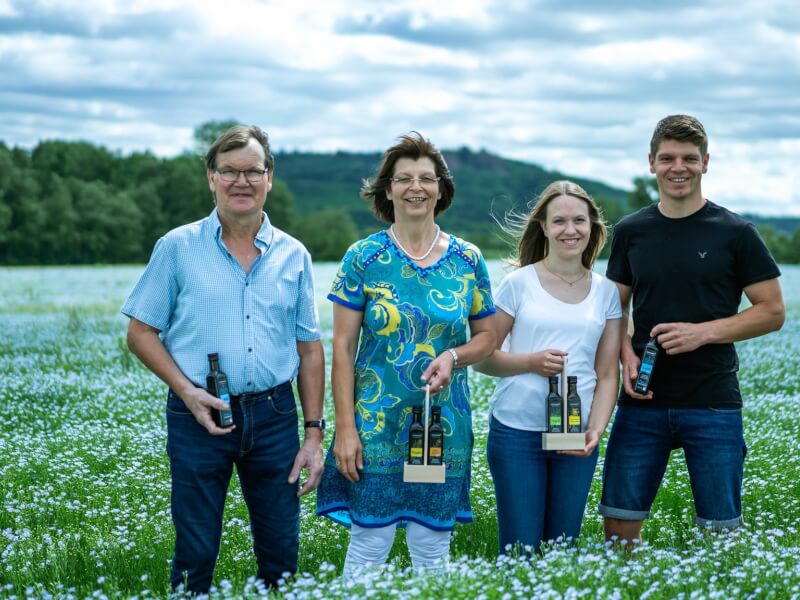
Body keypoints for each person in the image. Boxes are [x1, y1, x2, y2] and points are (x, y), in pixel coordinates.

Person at [121, 125, 325, 593]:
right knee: (195, 552)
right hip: (198, 412)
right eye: (229, 171)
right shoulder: (177, 247)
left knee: (281, 554)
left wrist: (313, 435)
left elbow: (309, 349)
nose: (241, 181)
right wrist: (188, 391)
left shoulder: (294, 255)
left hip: (275, 415)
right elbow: (140, 332)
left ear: (269, 177)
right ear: (211, 178)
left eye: (252, 170)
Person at [316, 132, 496, 576]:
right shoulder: (364, 257)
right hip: (373, 426)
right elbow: (342, 347)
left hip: (441, 427)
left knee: (432, 552)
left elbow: (488, 338)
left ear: (441, 188)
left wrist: (455, 356)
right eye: (404, 178)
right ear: (388, 189)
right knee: (367, 547)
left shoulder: (468, 259)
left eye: (427, 178)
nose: (416, 187)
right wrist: (344, 428)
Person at [599, 114, 785, 545]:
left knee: (720, 533)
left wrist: (703, 333)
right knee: (619, 527)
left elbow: (772, 311)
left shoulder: (736, 233)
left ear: (705, 162)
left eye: (688, 158)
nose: (677, 167)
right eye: (667, 158)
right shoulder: (631, 232)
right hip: (641, 402)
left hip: (713, 402)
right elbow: (613, 311)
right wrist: (626, 355)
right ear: (651, 162)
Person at [474, 180, 623, 555]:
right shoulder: (517, 284)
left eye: (579, 221)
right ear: (543, 226)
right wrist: (530, 362)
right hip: (516, 432)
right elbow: (484, 358)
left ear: (593, 226)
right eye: (559, 221)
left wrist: (596, 430)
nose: (570, 230)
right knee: (520, 551)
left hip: (575, 433)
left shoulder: (606, 292)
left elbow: (607, 374)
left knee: (563, 549)